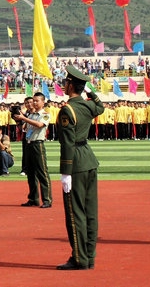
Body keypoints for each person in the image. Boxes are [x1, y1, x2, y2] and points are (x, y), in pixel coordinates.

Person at [56, 65, 104, 270]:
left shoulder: (68, 110)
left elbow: (67, 143)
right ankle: (90, 256)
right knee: (91, 211)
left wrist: (65, 172)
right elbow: (100, 107)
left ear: (69, 85)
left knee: (75, 213)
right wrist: (89, 91)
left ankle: (79, 258)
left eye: (66, 83)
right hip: (89, 159)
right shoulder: (86, 106)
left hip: (75, 162)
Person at [17, 93, 53, 207]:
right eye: (34, 101)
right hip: (29, 144)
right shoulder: (31, 115)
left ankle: (47, 199)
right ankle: (33, 198)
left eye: (37, 101)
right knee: (31, 174)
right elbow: (24, 128)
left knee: (42, 172)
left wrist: (24, 118)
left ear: (43, 102)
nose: (35, 103)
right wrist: (19, 120)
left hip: (38, 144)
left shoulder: (45, 114)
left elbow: (39, 124)